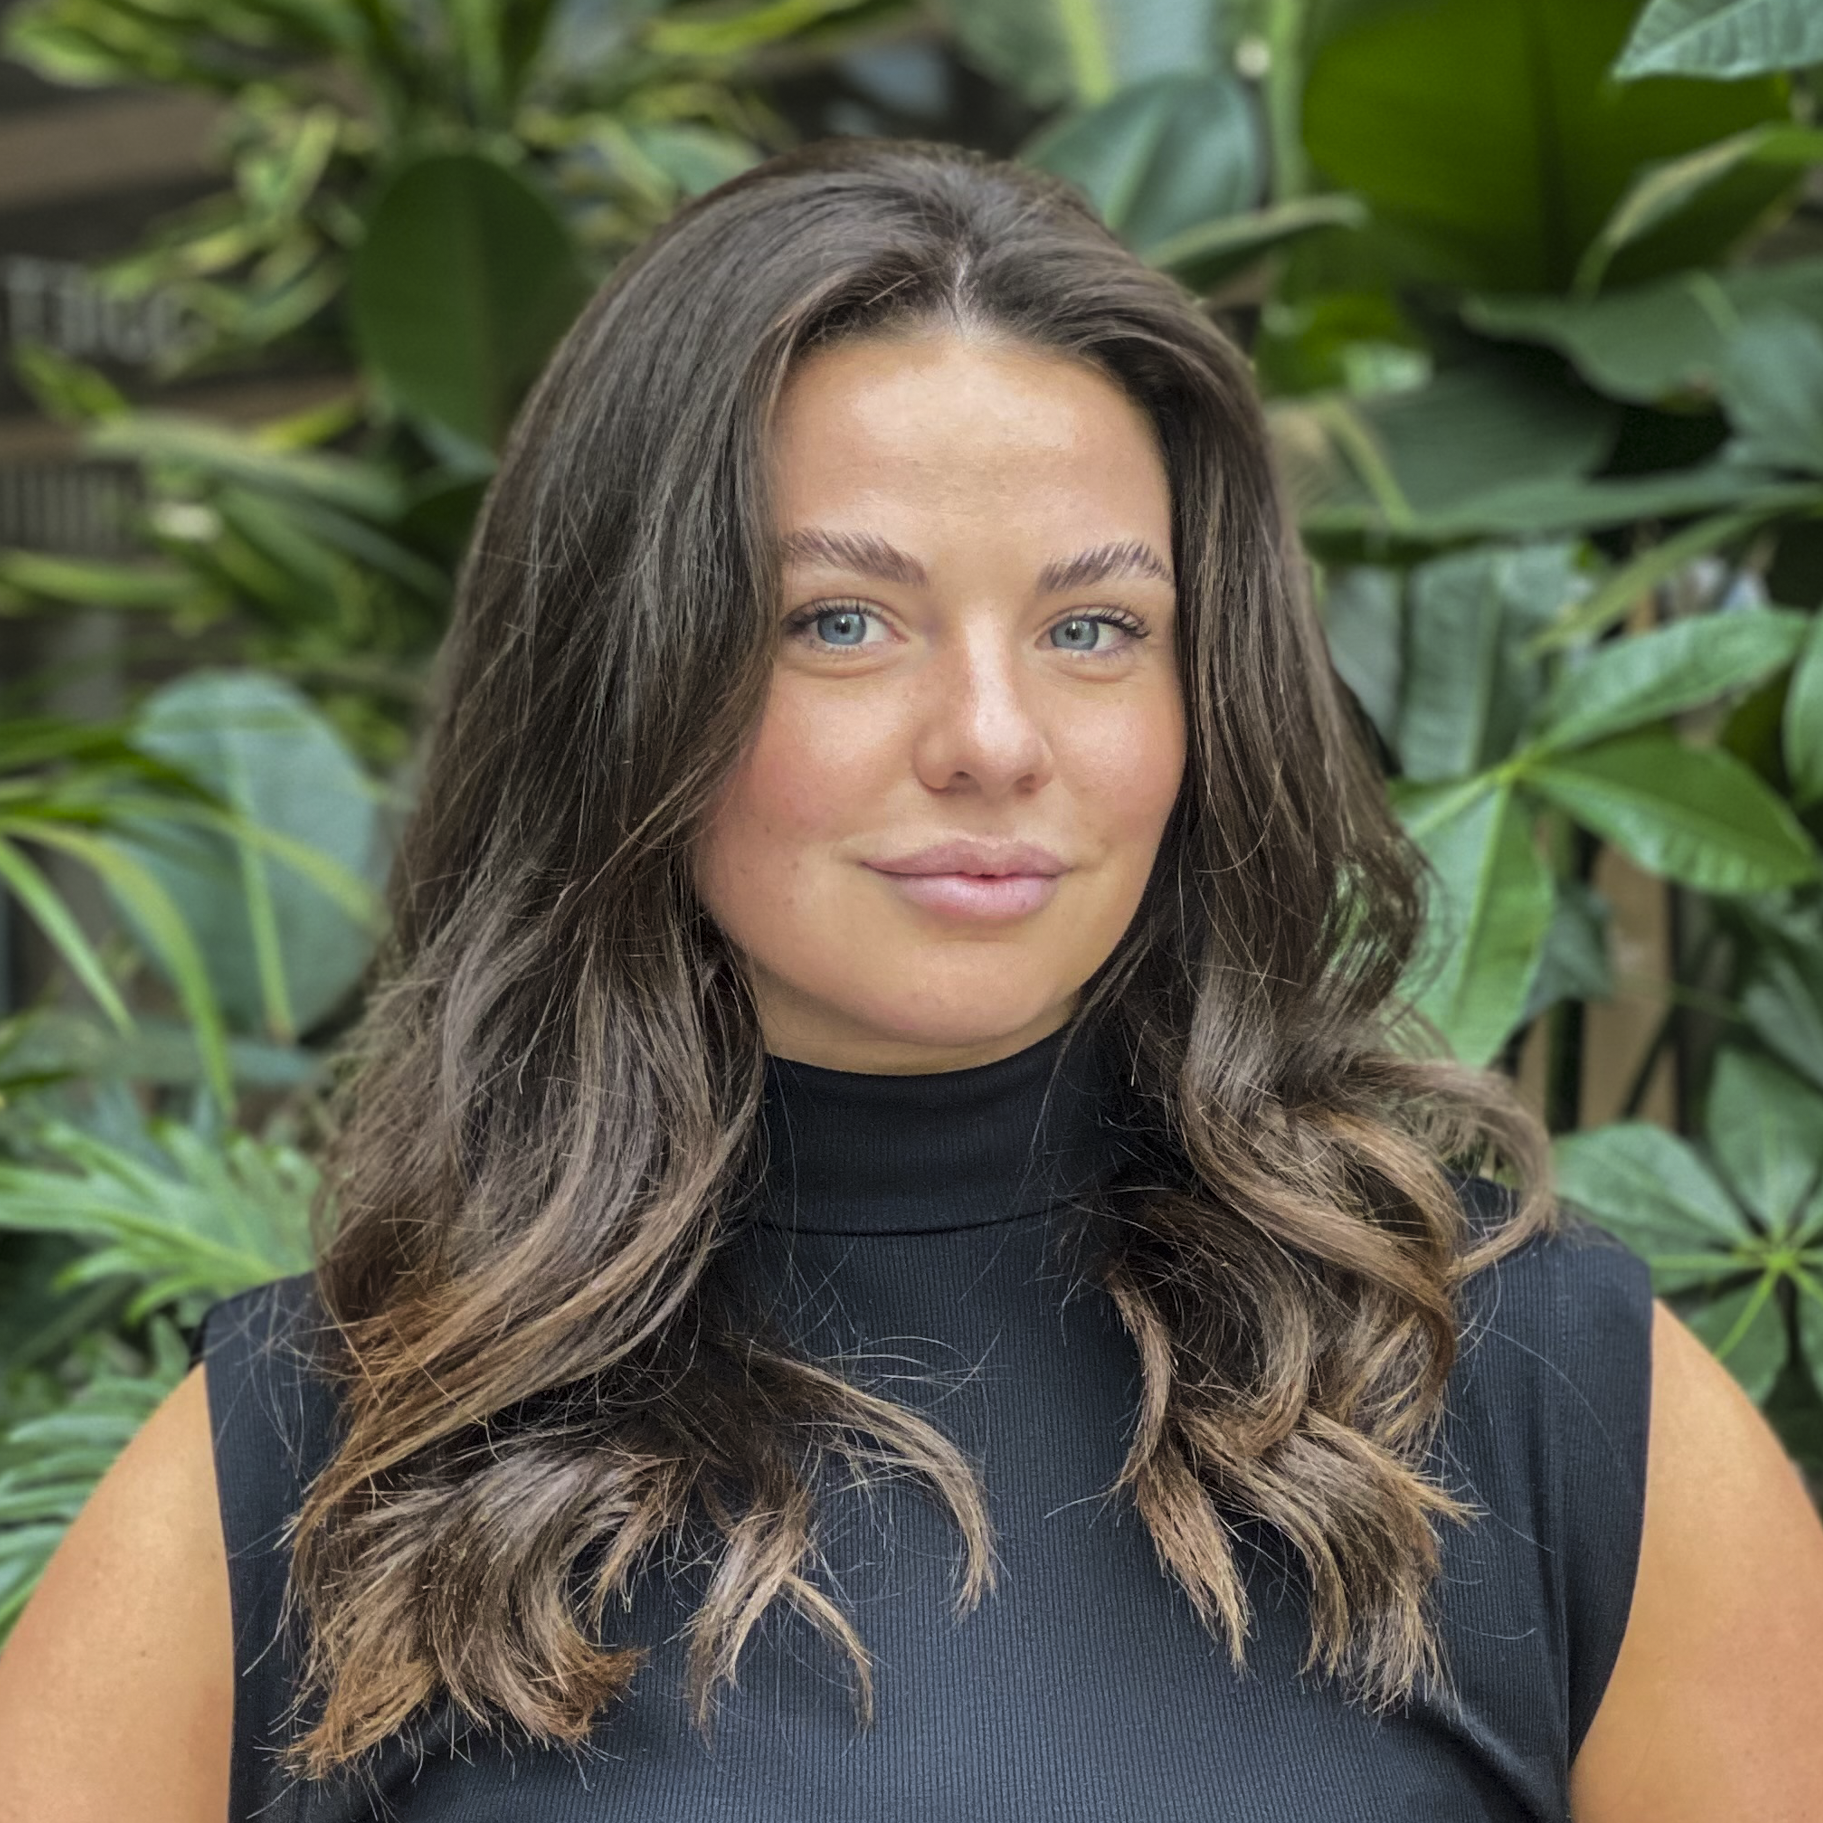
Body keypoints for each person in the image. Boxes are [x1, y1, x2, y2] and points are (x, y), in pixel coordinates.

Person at [2, 136, 1821, 1823]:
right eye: (841, 621)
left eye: (1092, 627)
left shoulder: (1535, 1389)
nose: (992, 738)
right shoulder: (312, 1456)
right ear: (629, 679)